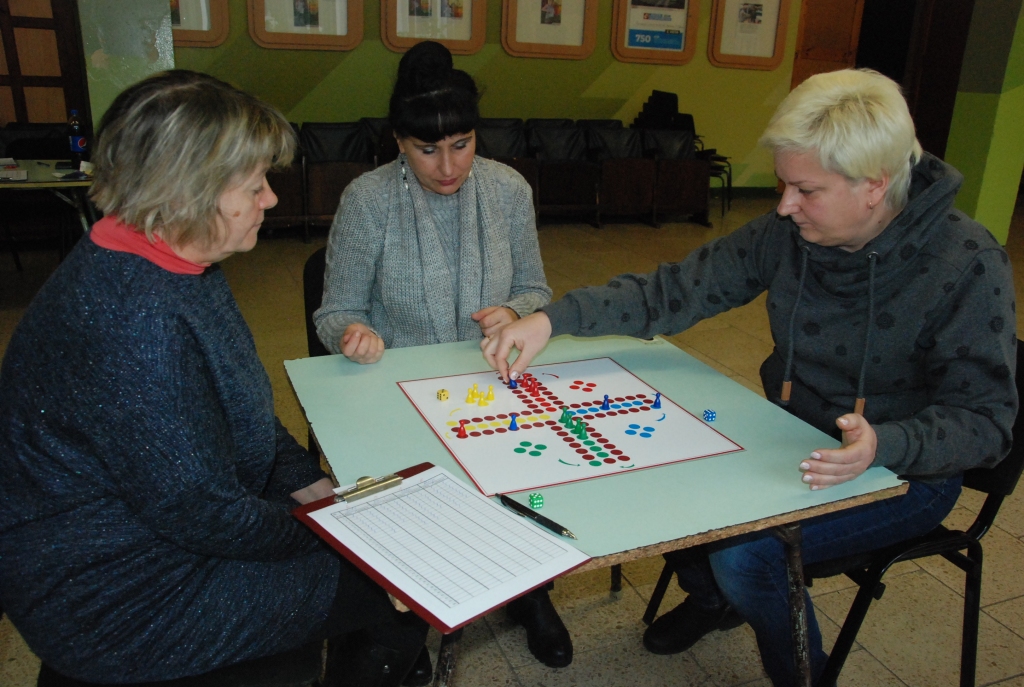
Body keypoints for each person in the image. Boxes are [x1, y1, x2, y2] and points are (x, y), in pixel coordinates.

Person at [482, 69, 1017, 686]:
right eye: (784, 185)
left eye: (804, 190)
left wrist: (884, 444)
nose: (784, 205)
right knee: (662, 466)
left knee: (746, 554)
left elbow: (985, 424)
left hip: (902, 472)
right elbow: (676, 290)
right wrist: (552, 320)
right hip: (784, 435)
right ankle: (714, 601)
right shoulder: (791, 232)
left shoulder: (967, 263)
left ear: (874, 186)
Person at [0, 70, 426, 686]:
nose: (271, 199)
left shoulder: (174, 256)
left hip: (156, 535)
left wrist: (309, 484)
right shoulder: (135, 321)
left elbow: (244, 408)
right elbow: (201, 513)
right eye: (253, 186)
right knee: (401, 576)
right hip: (115, 598)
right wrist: (331, 530)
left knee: (390, 560)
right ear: (188, 193)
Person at [312, 41, 570, 670]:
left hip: (493, 379)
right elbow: (333, 310)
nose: (449, 165)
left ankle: (530, 591)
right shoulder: (368, 200)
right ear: (400, 141)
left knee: (532, 478)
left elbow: (536, 287)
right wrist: (354, 333)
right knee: (413, 508)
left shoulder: (509, 189)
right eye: (428, 149)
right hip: (396, 393)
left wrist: (515, 312)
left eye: (462, 144)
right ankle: (407, 617)